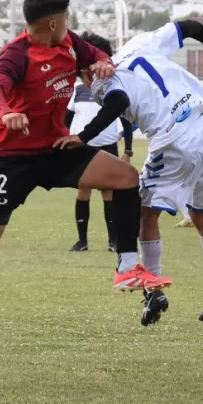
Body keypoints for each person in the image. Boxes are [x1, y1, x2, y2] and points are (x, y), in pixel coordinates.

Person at [0, 0, 170, 376]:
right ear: (52, 22)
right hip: (9, 160)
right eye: (67, 19)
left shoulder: (69, 43)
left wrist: (103, 63)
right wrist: (5, 113)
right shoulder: (16, 54)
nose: (69, 25)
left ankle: (125, 267)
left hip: (53, 149)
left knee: (125, 177)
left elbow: (97, 55)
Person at [56, 23, 203, 327]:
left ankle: (152, 291)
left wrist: (83, 136)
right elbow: (181, 27)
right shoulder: (140, 42)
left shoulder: (101, 76)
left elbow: (118, 102)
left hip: (175, 137)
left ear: (86, 68)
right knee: (201, 213)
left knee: (143, 215)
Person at [64, 33, 134, 253]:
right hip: (81, 148)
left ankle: (113, 241)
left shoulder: (113, 87)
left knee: (108, 193)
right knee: (82, 191)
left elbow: (125, 119)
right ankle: (82, 241)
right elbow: (66, 119)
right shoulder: (77, 90)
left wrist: (128, 151)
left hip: (107, 146)